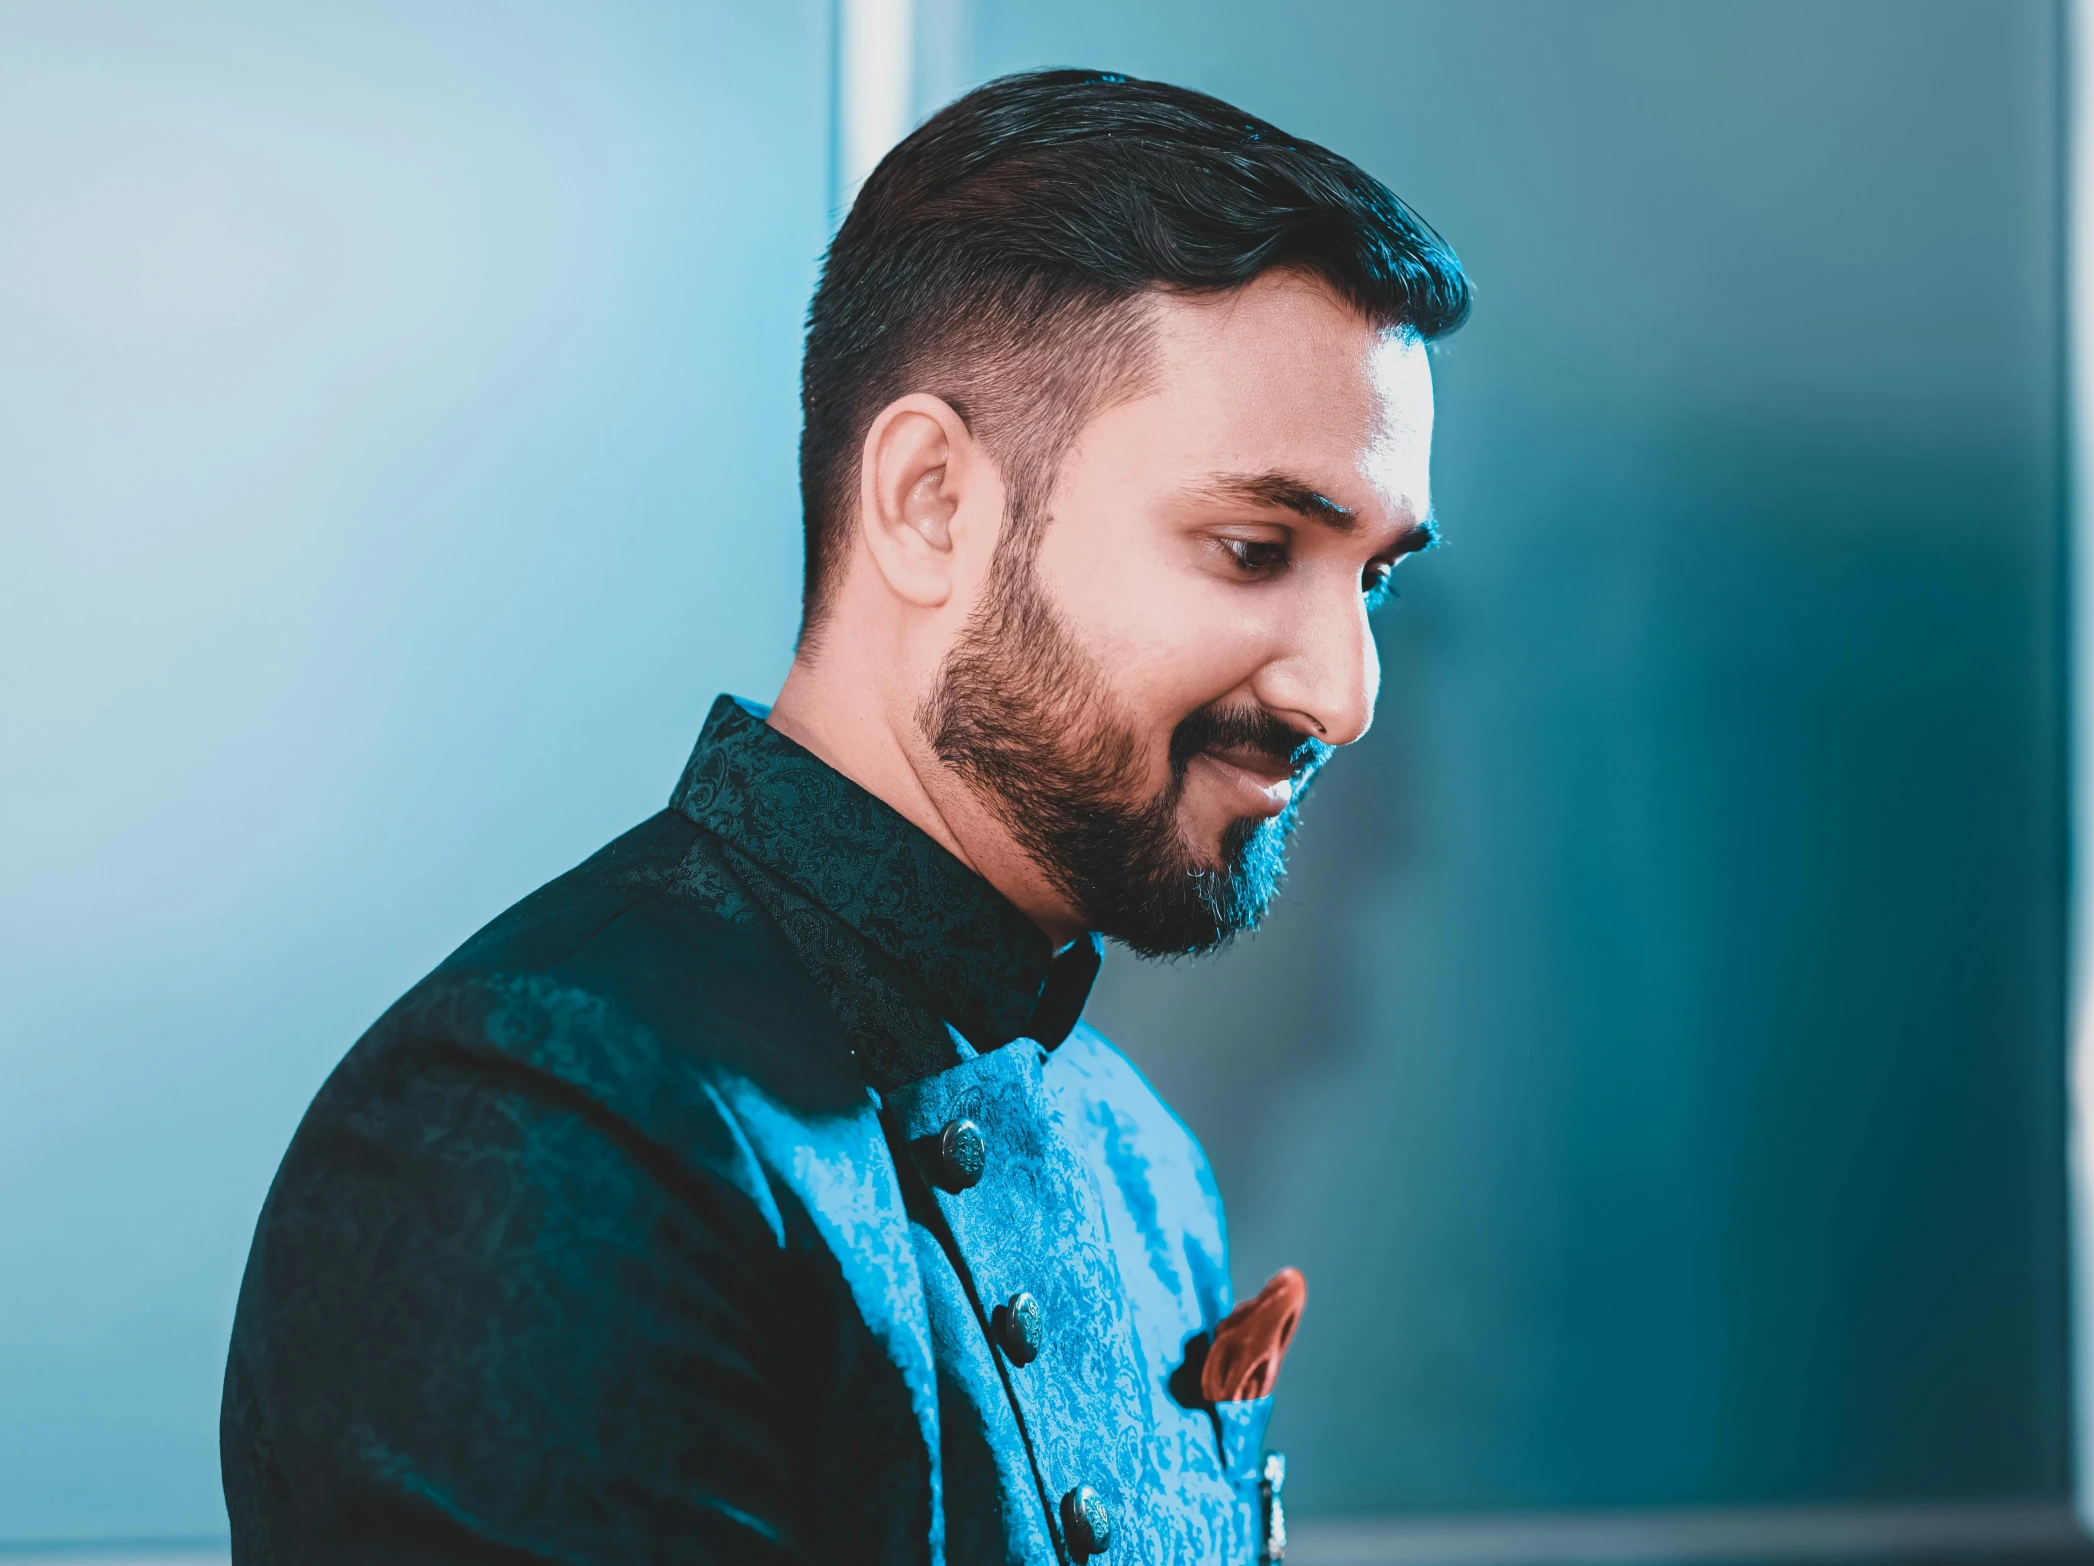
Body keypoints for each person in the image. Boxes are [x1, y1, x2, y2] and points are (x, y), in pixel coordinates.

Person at [220, 67, 1467, 1564]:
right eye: (1256, 546)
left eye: (1376, 576)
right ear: (932, 500)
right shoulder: (539, 1122)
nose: (1347, 692)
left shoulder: (1150, 1173)